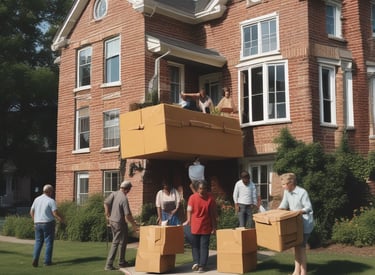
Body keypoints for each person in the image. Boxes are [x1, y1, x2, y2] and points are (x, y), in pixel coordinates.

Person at [278, 173, 314, 275]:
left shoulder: (302, 192)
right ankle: (296, 271)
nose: (283, 186)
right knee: (296, 247)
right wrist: (275, 213)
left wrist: (297, 212)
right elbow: (283, 205)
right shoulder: (287, 192)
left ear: (291, 183)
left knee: (301, 248)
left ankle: (303, 272)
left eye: (284, 184)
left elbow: (308, 208)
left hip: (305, 224)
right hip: (295, 224)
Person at [103, 180, 138, 271]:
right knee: (116, 243)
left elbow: (106, 203)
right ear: (126, 189)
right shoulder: (124, 199)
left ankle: (122, 262)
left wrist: (107, 214)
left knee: (123, 241)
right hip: (119, 223)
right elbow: (128, 215)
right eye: (129, 189)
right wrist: (134, 225)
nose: (129, 191)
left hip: (113, 221)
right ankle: (109, 265)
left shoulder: (114, 193)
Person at [183, 180, 217, 273]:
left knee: (204, 246)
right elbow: (189, 210)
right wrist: (188, 220)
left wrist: (214, 227)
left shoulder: (210, 199)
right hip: (195, 225)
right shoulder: (192, 198)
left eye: (204, 188)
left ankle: (202, 265)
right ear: (197, 189)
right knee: (195, 246)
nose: (202, 190)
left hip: (206, 226)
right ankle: (196, 263)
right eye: (200, 189)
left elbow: (212, 214)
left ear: (207, 189)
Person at [30, 184, 64, 267]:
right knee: (48, 242)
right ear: (49, 191)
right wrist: (62, 219)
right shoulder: (50, 200)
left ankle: (35, 258)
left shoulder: (37, 199)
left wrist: (34, 221)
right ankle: (47, 261)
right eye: (52, 191)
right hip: (48, 223)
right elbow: (55, 213)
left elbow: (31, 212)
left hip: (37, 223)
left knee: (38, 242)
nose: (52, 193)